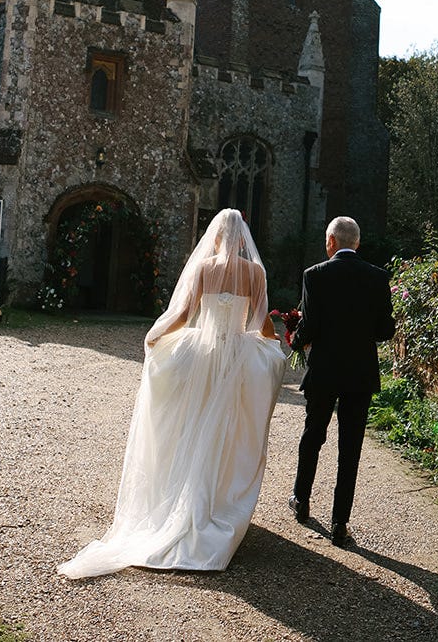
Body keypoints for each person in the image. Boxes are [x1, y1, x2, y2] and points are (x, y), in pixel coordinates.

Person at [58, 207, 288, 577]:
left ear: (215, 236)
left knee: (194, 426)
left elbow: (183, 314)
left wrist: (157, 334)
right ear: (243, 235)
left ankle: (186, 501)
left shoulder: (203, 268)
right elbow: (261, 324)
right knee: (225, 433)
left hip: (203, 358)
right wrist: (273, 350)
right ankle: (212, 505)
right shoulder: (255, 272)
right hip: (235, 360)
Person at [288, 215, 395, 548]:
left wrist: (295, 340)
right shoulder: (378, 278)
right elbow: (385, 331)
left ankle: (301, 501)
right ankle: (339, 523)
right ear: (357, 243)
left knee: (313, 436)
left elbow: (310, 328)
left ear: (331, 241)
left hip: (323, 371)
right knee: (350, 449)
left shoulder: (314, 275)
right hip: (360, 374)